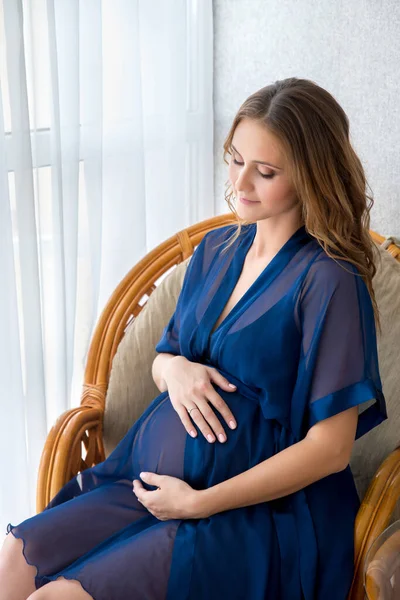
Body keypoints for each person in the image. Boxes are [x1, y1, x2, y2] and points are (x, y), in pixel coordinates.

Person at [0, 77, 387, 600]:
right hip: (142, 484)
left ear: (310, 177)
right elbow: (165, 357)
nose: (240, 183)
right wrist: (175, 371)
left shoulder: (328, 281)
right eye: (235, 159)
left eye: (265, 171)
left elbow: (330, 450)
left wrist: (200, 503)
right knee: (11, 564)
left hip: (250, 518)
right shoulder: (215, 250)